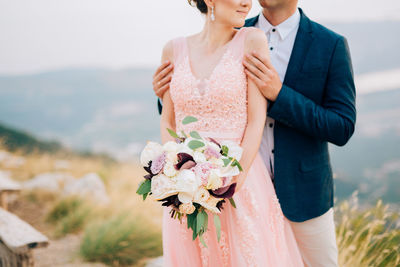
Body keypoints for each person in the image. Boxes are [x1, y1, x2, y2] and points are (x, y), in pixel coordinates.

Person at [154, 0, 356, 266]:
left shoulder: (329, 44)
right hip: (230, 190)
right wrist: (162, 94)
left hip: (301, 195)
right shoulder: (236, 31)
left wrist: (280, 95)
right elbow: (192, 100)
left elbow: (342, 126)